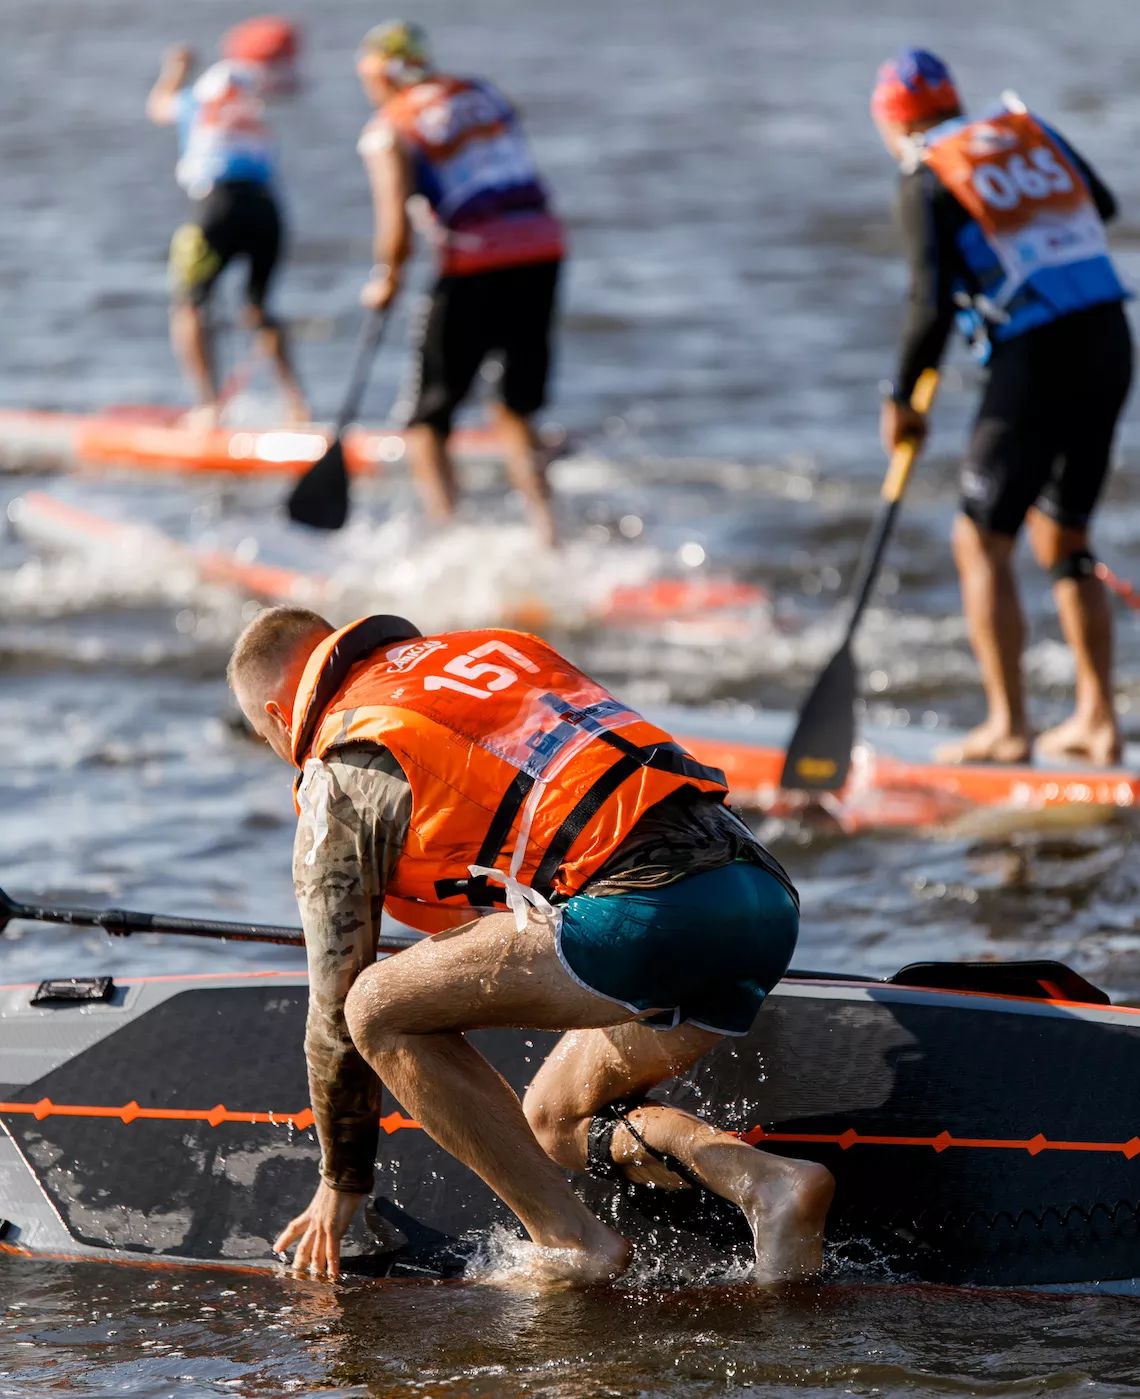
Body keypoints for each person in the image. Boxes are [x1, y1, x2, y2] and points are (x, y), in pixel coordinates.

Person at [227, 605, 834, 1285]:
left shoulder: (343, 765)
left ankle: (570, 1242)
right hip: (764, 895)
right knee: (554, 1115)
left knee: (373, 1006)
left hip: (652, 913)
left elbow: (336, 1002)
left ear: (282, 718)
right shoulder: (484, 653)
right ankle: (771, 1186)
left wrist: (342, 1178)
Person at [873, 49, 1133, 765]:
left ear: (889, 122)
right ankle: (1097, 721)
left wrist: (901, 397)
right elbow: (1102, 206)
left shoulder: (924, 175)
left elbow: (928, 303)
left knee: (979, 539)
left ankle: (1008, 727)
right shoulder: (1027, 128)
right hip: (1110, 333)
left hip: (1038, 354)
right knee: (1066, 534)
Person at [354, 21, 564, 545]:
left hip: (476, 262)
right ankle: (547, 530)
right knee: (516, 402)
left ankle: (450, 535)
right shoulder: (481, 93)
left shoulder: (389, 126)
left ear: (381, 74)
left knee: (428, 417)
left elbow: (396, 228)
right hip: (543, 247)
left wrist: (386, 279)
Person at [146, 26, 308, 428]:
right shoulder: (256, 97)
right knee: (259, 308)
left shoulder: (199, 98)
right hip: (267, 207)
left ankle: (208, 408)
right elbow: (294, 85)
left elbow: (159, 107)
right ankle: (297, 406)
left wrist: (175, 70)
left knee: (190, 305)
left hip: (217, 206)